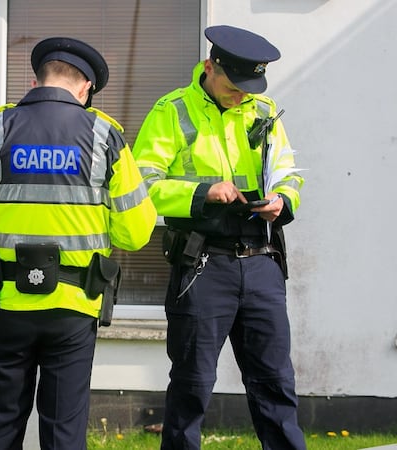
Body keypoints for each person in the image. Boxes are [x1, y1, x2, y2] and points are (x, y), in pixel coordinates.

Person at [0, 36, 157, 449]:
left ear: (39, 79)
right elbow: (136, 230)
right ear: (85, 88)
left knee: (0, 428)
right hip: (72, 308)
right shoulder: (104, 135)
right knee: (63, 432)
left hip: (5, 305)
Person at [131, 25, 306, 449]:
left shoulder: (264, 111)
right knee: (192, 385)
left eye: (249, 87)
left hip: (262, 261)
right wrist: (200, 192)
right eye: (233, 85)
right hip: (204, 266)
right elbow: (141, 185)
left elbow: (289, 174)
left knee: (276, 382)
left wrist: (282, 200)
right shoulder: (171, 111)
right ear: (211, 67)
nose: (240, 95)